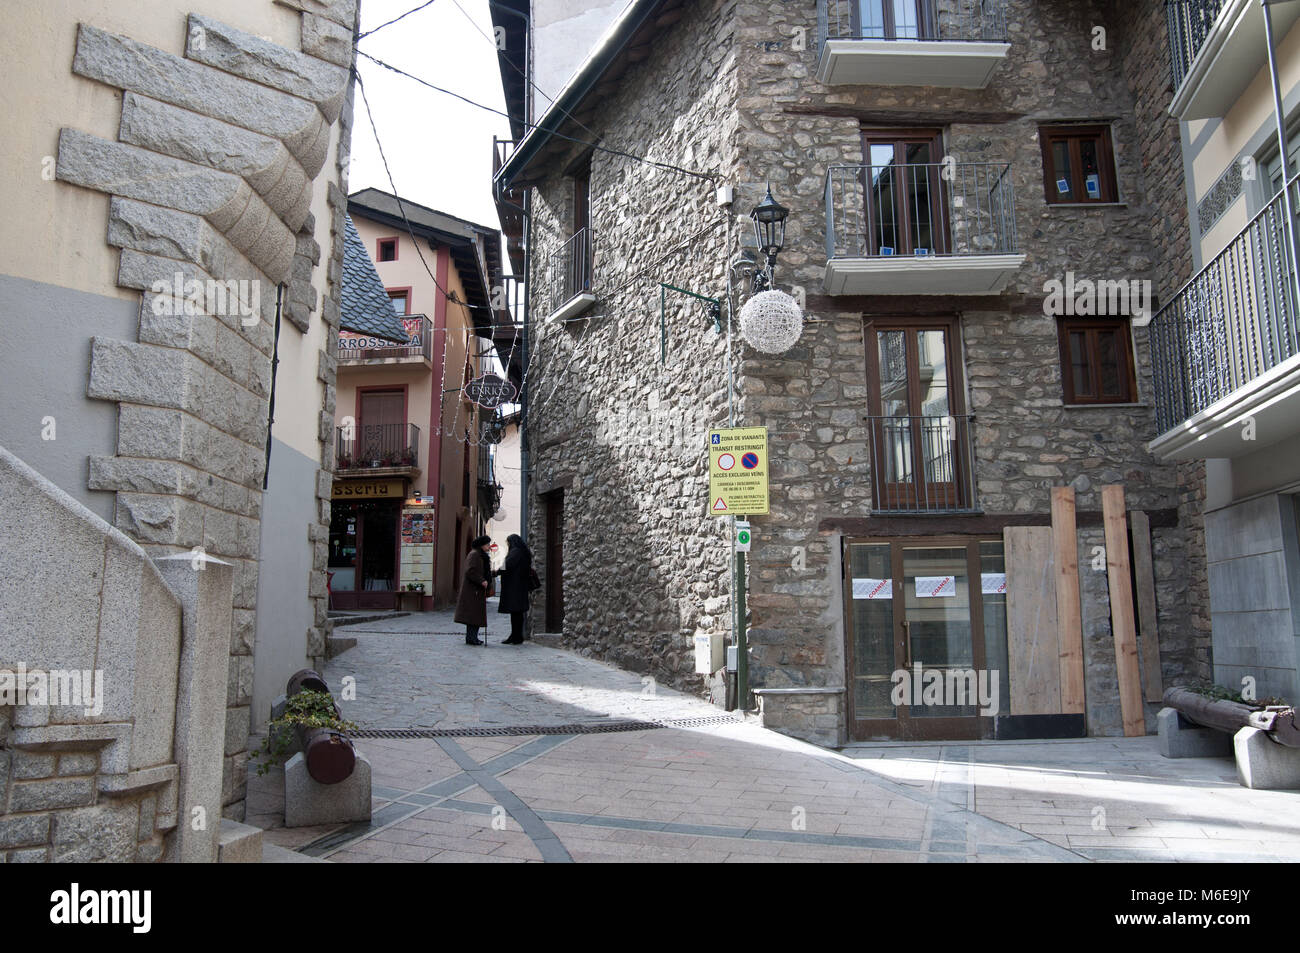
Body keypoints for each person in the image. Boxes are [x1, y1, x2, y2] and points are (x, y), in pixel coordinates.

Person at [454, 535, 493, 645]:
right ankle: (471, 638)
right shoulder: (474, 554)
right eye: (487, 544)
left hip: (477, 590)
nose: (489, 547)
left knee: (475, 615)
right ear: (482, 545)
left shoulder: (480, 555)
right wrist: (481, 581)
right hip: (472, 590)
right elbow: (470, 571)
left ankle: (473, 637)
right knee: (472, 615)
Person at [494, 534, 533, 645]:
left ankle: (516, 636)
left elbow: (507, 565)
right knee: (517, 613)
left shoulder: (516, 552)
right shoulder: (523, 552)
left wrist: (496, 572)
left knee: (515, 613)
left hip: (515, 587)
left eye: (508, 543)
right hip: (520, 586)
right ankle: (516, 635)